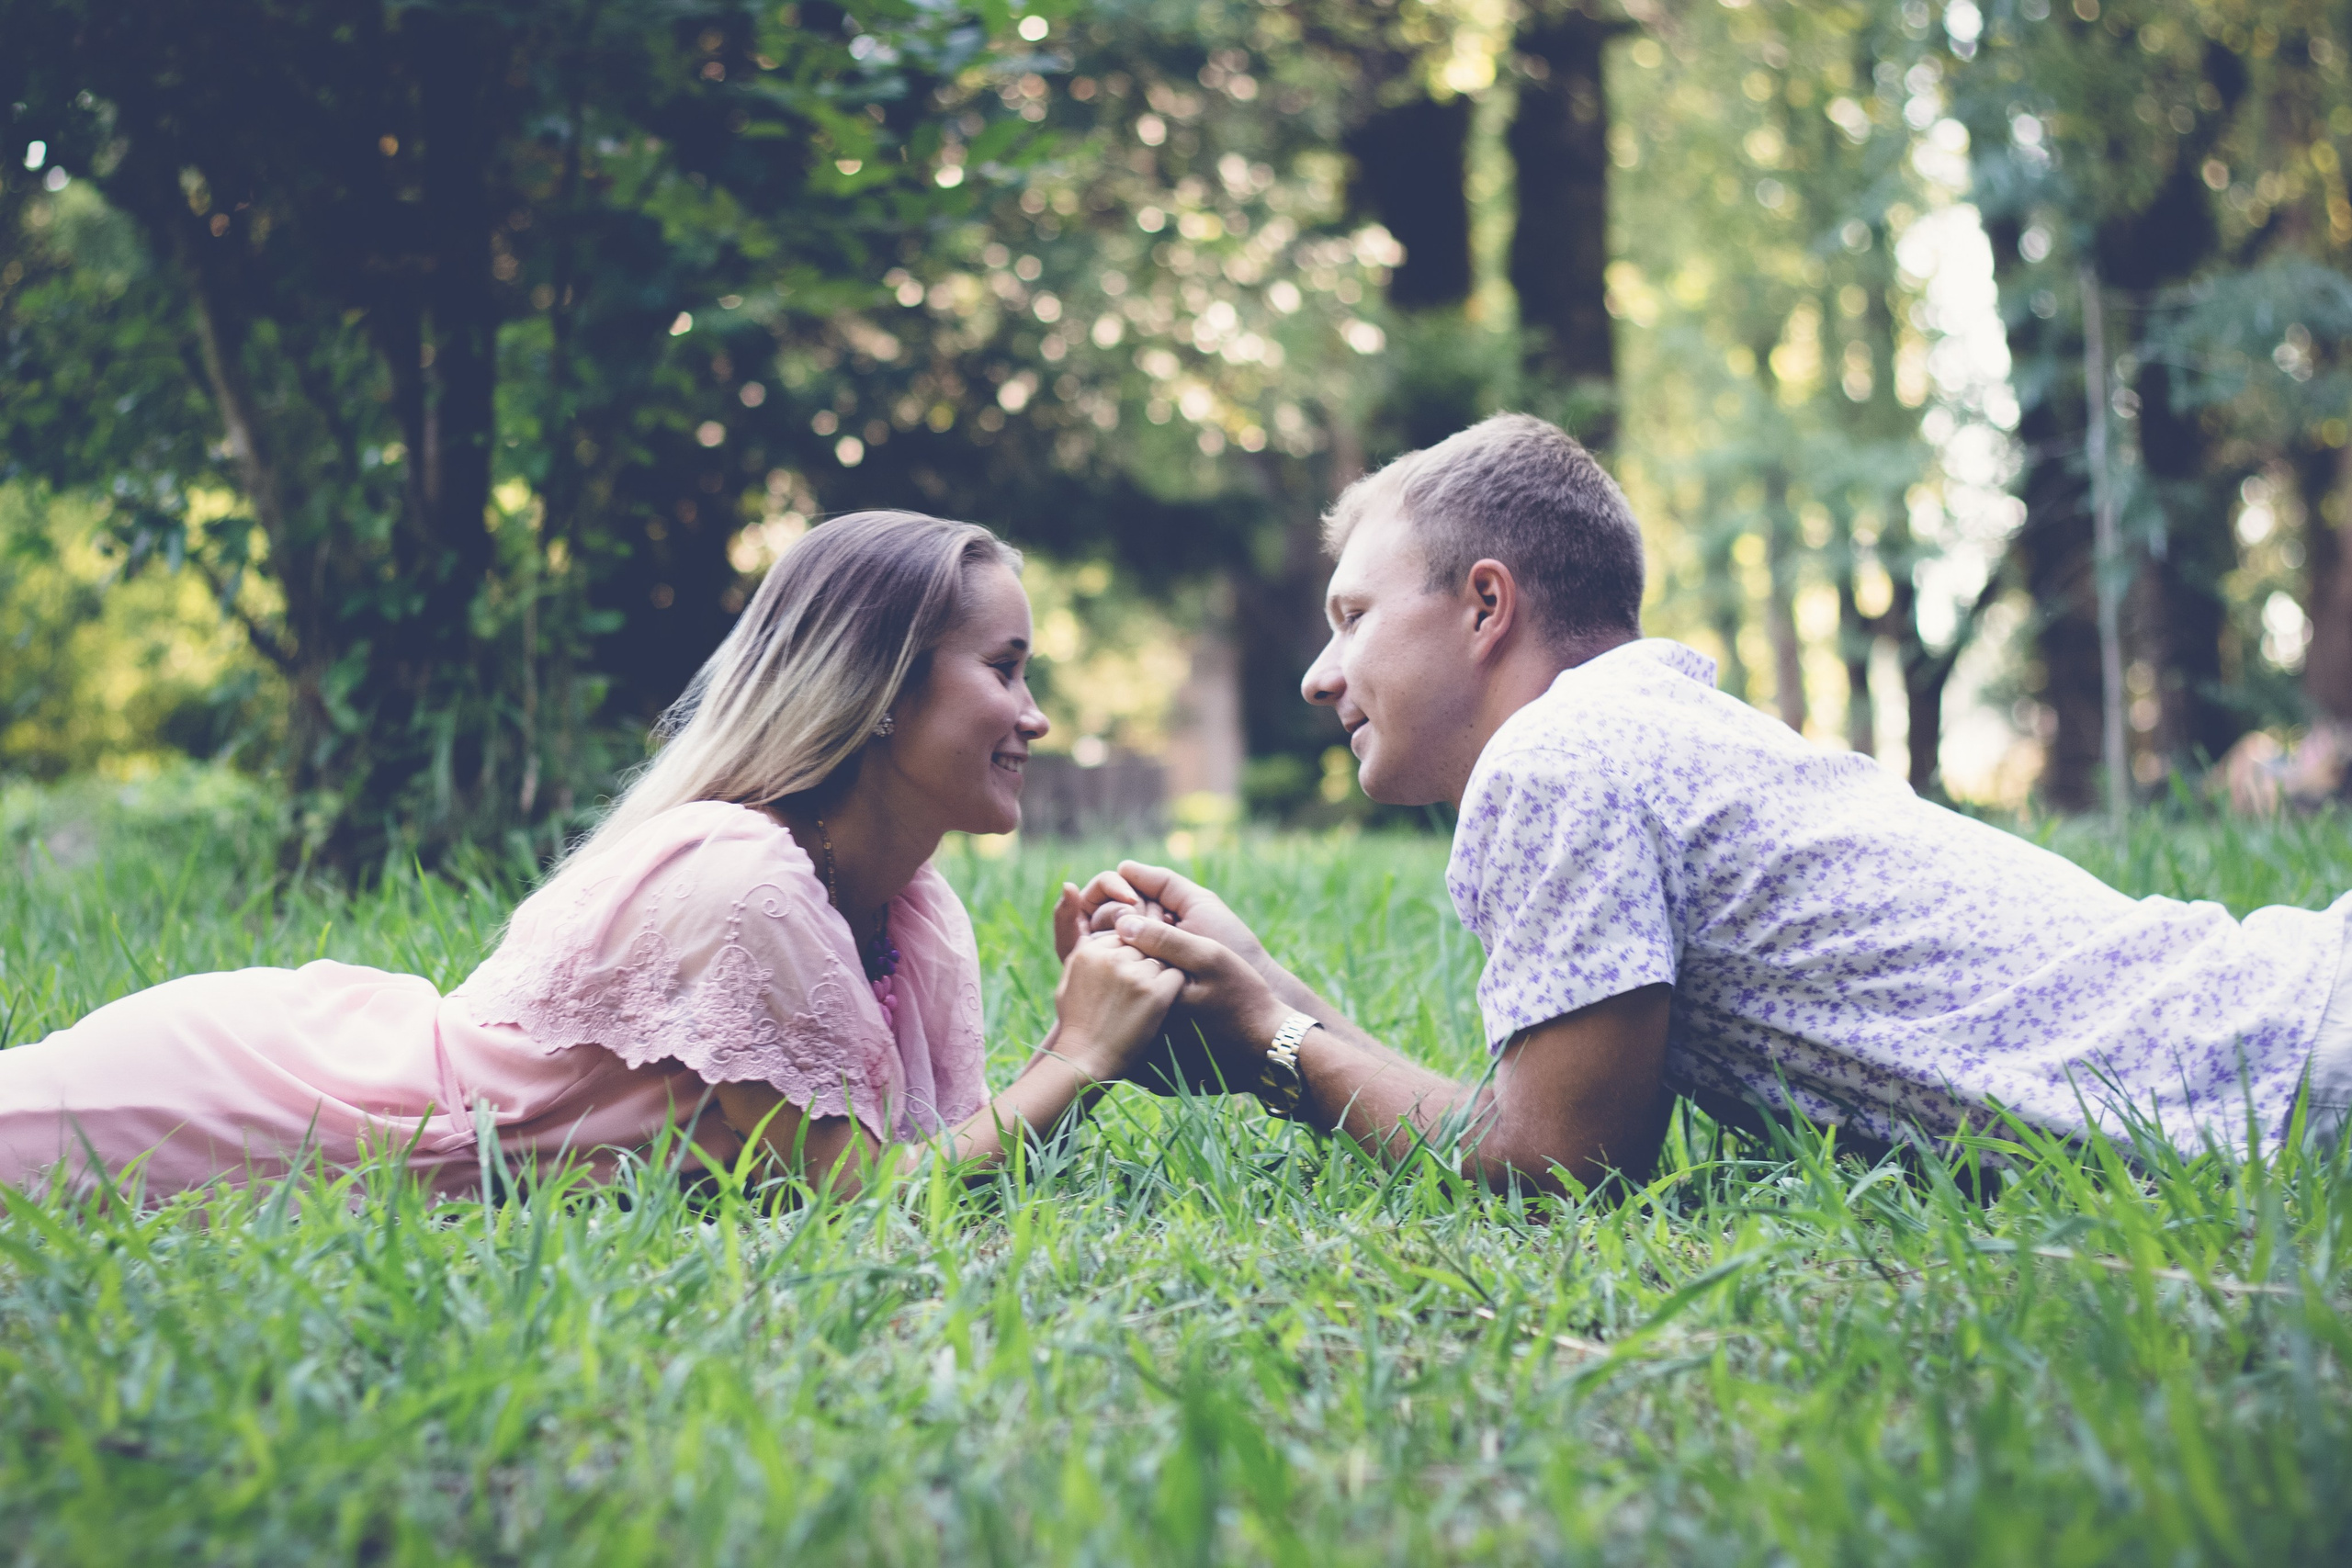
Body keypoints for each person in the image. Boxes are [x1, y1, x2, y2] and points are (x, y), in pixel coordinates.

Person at [1077, 413, 2352, 1190]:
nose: (1316, 673)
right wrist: (1266, 986)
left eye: (1352, 617)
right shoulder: (1630, 729)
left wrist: (1270, 1052)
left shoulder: (1559, 759)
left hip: (2298, 1076)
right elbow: (1523, 1115)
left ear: (1484, 603)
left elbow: (1556, 1170)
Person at [0, 513, 1184, 1201]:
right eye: (1006, 667)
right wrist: (1077, 1054)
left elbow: (945, 1169)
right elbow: (871, 1211)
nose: (1034, 715)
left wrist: (1087, 1035)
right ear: (881, 690)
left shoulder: (911, 911)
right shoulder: (742, 880)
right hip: (260, 1109)